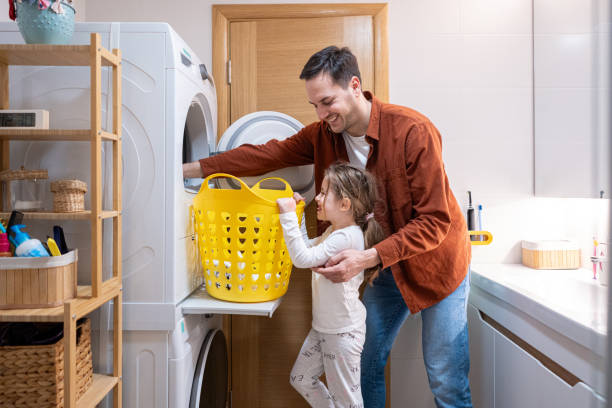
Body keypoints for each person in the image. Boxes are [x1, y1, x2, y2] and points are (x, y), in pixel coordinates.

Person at [183, 45, 473, 408]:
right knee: (364, 365)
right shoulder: (321, 135)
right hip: (382, 267)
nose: (321, 114)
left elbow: (435, 220)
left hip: (437, 265)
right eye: (314, 106)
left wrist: (366, 258)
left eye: (327, 102)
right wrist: (190, 170)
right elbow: (266, 154)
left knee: (445, 376)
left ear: (354, 86)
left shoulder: (413, 131)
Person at [276, 162, 383, 407]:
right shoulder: (335, 233)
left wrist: (286, 215)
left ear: (345, 204)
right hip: (325, 328)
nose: (319, 198)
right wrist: (297, 214)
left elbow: (301, 259)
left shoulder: (346, 236)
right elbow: (305, 248)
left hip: (342, 333)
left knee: (347, 401)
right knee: (301, 379)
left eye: (324, 193)